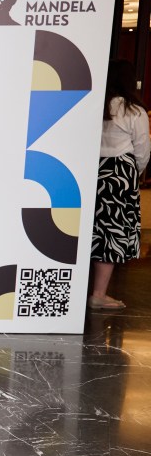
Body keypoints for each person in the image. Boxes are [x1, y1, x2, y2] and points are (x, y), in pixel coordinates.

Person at [89, 59, 150, 310]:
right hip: (120, 175)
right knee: (111, 232)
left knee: (91, 229)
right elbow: (143, 150)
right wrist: (134, 173)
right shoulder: (134, 111)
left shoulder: (95, 105)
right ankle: (98, 294)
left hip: (93, 170)